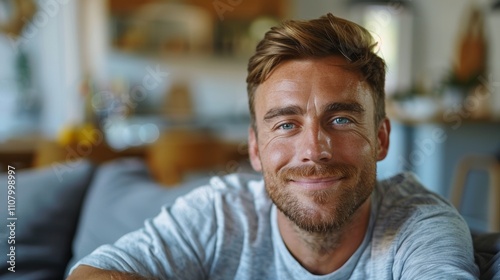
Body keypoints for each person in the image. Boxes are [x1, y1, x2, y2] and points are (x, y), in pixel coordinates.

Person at [68, 13, 479, 279]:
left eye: (341, 119)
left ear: (381, 138)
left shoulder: (422, 228)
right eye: (286, 124)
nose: (314, 149)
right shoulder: (222, 214)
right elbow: (91, 274)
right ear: (255, 148)